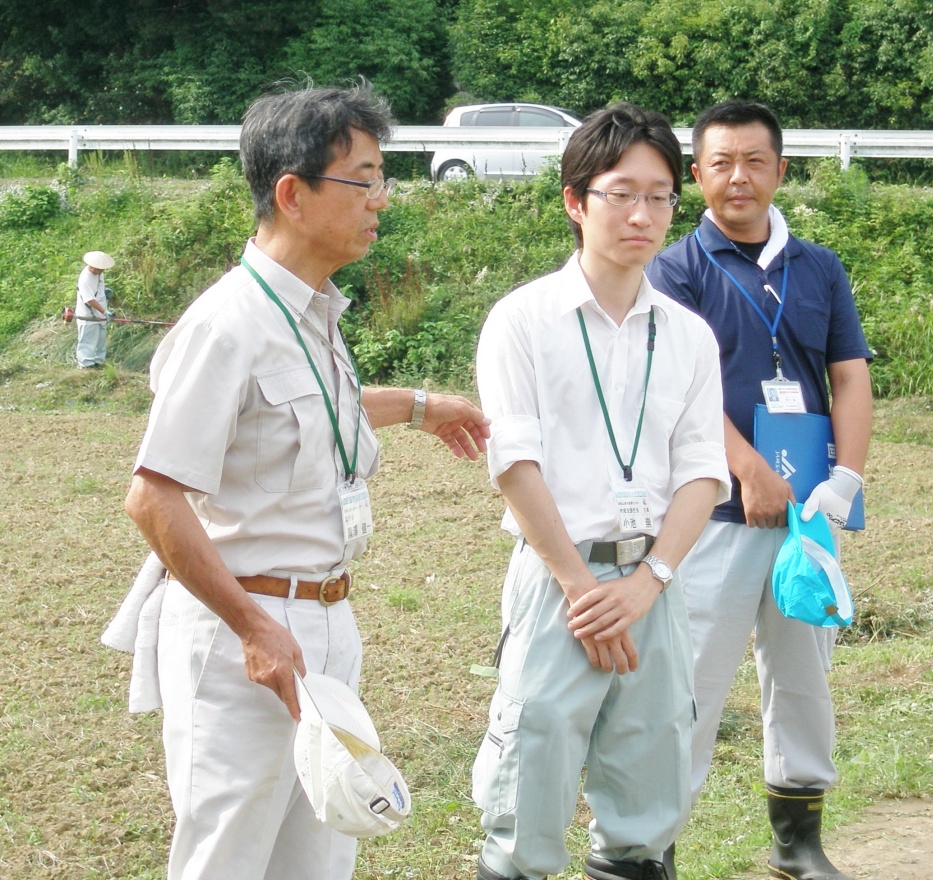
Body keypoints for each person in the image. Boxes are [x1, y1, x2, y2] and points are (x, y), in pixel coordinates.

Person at [120, 83, 490, 880]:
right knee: (228, 854)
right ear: (292, 193)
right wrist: (255, 629)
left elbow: (318, 414)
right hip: (243, 632)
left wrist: (423, 406)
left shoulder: (312, 311)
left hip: (326, 618)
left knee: (321, 849)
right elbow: (154, 496)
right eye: (364, 179)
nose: (381, 201)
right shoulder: (227, 325)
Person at [472, 102, 731, 880]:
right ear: (574, 201)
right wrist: (583, 589)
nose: (643, 214)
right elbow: (514, 463)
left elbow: (702, 471)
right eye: (622, 193)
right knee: (532, 777)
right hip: (560, 581)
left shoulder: (686, 334)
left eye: (659, 196)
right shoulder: (522, 320)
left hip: (652, 584)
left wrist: (649, 583)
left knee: (646, 794)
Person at [646, 100, 872, 880]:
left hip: (808, 517)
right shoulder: (673, 270)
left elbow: (849, 374)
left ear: (779, 169)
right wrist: (743, 465)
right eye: (719, 163)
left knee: (805, 675)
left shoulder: (820, 268)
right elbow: (676, 387)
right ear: (696, 176)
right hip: (709, 515)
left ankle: (798, 843)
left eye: (754, 161)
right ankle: (653, 844)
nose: (737, 177)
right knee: (692, 682)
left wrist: (845, 478)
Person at [76, 250, 114, 368]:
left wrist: (104, 292)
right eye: (99, 269)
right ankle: (86, 365)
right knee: (88, 340)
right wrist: (104, 311)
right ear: (92, 266)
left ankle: (99, 362)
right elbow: (89, 299)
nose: (101, 271)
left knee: (100, 340)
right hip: (88, 315)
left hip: (101, 313)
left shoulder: (99, 274)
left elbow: (98, 289)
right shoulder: (85, 279)